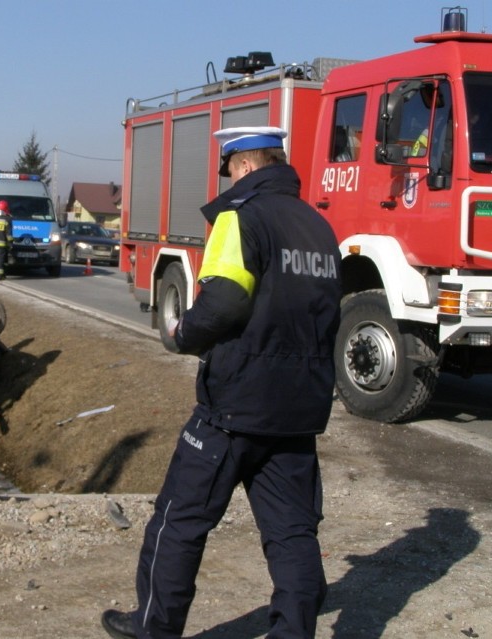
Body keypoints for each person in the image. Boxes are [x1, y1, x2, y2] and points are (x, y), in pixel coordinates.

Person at [101, 126, 342, 639]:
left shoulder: (242, 216)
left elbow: (227, 301)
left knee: (179, 518)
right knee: (293, 531)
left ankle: (153, 628)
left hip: (236, 405)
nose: (228, 180)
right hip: (299, 409)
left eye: (230, 169)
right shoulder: (318, 227)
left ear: (247, 166)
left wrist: (183, 332)